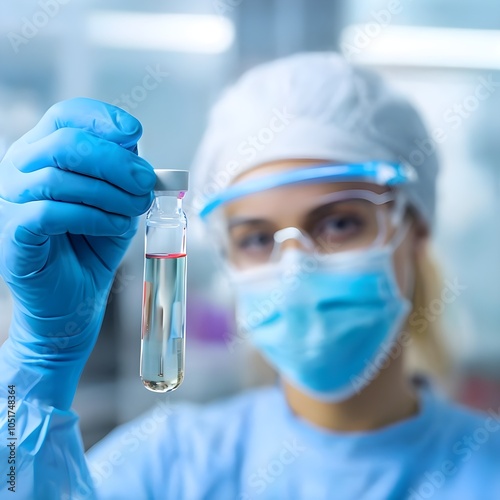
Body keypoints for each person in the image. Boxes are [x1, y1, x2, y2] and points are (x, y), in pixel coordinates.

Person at [0, 53, 499, 500]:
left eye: (340, 222)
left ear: (416, 230)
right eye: (257, 238)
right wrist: (35, 375)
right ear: (228, 260)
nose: (295, 266)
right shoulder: (169, 464)